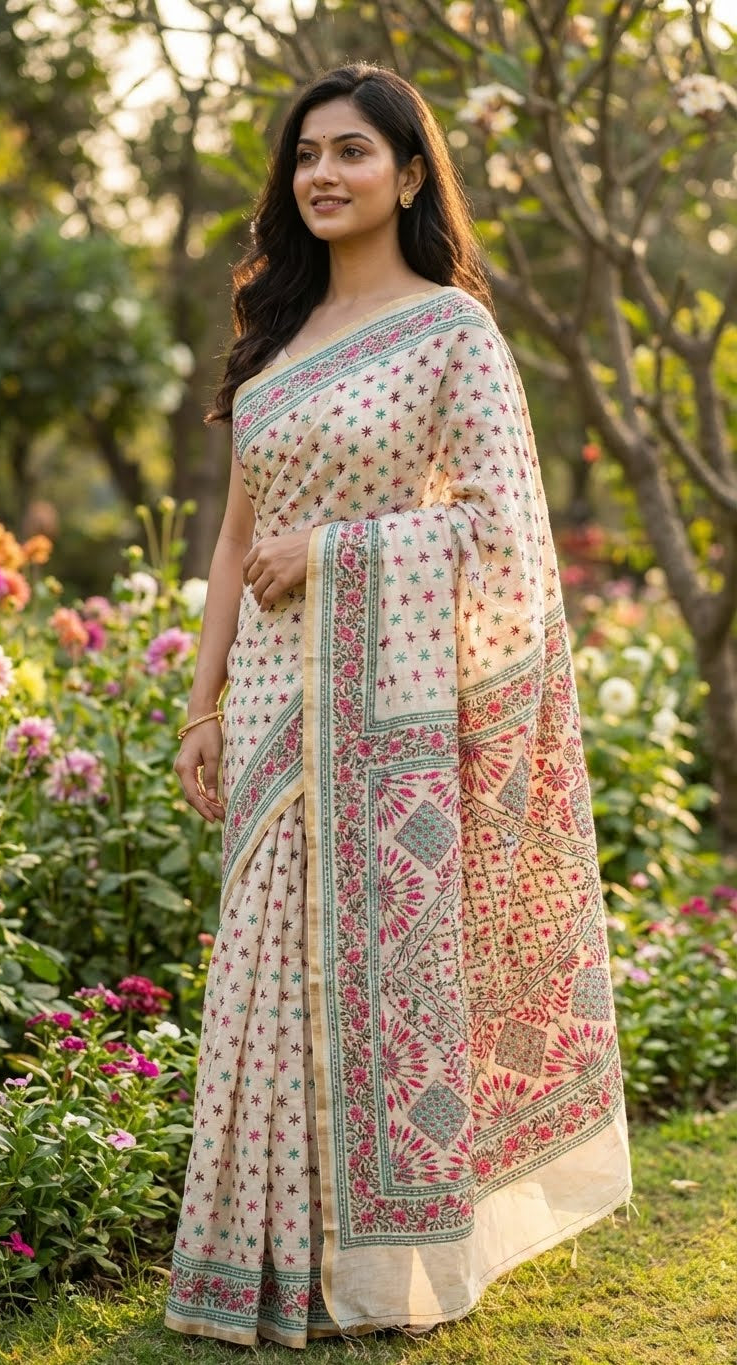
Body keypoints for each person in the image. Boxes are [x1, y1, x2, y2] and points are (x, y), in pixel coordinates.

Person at [164, 62, 633, 1350]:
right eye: (306, 153)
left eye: (354, 152)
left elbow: (500, 528)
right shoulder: (275, 338)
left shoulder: (451, 331)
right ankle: (258, 1265)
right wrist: (200, 703)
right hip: (268, 697)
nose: (323, 172)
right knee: (268, 957)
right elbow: (232, 533)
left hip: (388, 707)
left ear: (411, 174)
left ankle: (380, 1277)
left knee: (379, 973)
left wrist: (335, 555)